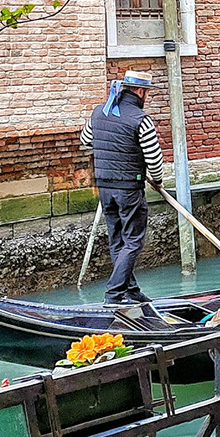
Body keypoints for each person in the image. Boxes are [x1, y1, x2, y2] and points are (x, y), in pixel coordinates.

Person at [81, 70, 166, 305]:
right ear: (139, 91)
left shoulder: (99, 112)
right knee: (133, 240)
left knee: (117, 238)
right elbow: (154, 159)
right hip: (129, 188)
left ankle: (131, 291)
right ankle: (114, 294)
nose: (146, 96)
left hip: (105, 187)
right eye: (146, 92)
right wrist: (157, 181)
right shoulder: (141, 119)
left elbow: (86, 140)